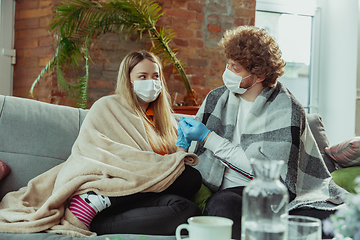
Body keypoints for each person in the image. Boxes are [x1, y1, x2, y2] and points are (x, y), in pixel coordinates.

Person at [0, 50, 202, 237]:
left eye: (156, 76)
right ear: (129, 80)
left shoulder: (165, 121)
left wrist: (181, 143)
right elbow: (96, 151)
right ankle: (92, 201)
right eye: (143, 76)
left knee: (187, 209)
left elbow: (168, 169)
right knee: (190, 178)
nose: (151, 82)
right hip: (108, 184)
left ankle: (91, 221)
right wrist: (151, 166)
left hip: (135, 197)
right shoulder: (108, 106)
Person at [176, 26, 348, 240]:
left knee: (334, 219)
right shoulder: (216, 98)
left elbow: (269, 172)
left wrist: (208, 138)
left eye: (235, 68)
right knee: (223, 204)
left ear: (259, 75)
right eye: (228, 64)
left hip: (279, 192)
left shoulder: (287, 108)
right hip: (234, 191)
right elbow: (190, 153)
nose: (227, 71)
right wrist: (182, 143)